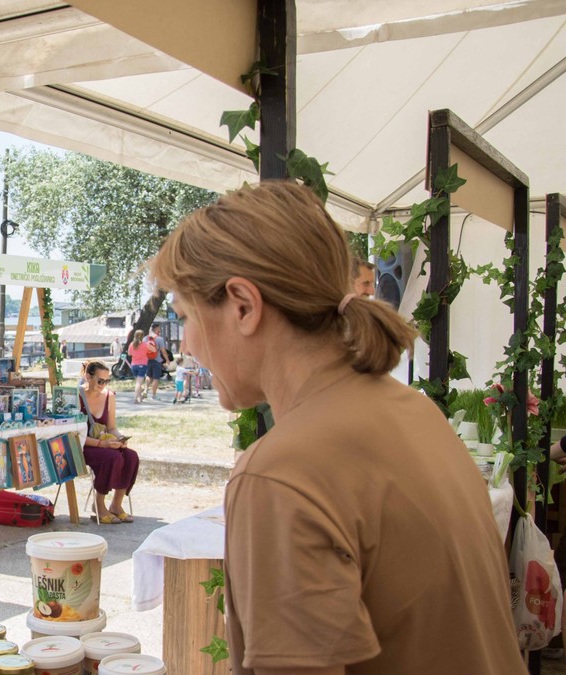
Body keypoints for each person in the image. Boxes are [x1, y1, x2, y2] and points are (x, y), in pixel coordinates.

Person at [151, 181, 522, 674]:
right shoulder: (414, 412)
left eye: (185, 316)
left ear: (243, 305)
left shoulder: (282, 472)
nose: (186, 346)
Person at [78, 361, 139, 524]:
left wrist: (120, 438)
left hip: (103, 443)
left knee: (131, 456)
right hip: (82, 445)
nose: (103, 385)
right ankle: (98, 505)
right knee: (112, 457)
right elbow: (74, 434)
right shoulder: (76, 396)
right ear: (88, 377)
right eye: (100, 381)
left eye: (107, 381)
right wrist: (101, 444)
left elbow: (112, 428)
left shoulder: (109, 396)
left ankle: (116, 505)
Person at [126, 329, 151, 403]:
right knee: (139, 383)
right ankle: (135, 398)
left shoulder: (131, 344)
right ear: (142, 336)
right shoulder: (145, 344)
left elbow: (129, 354)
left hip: (134, 365)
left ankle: (140, 397)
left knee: (138, 382)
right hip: (142, 365)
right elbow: (153, 350)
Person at [146, 324, 171, 400]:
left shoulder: (145, 338)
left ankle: (145, 390)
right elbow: (163, 351)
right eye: (159, 329)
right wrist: (167, 360)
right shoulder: (160, 339)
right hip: (157, 360)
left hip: (147, 360)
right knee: (156, 378)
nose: (160, 330)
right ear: (156, 329)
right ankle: (153, 395)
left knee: (148, 376)